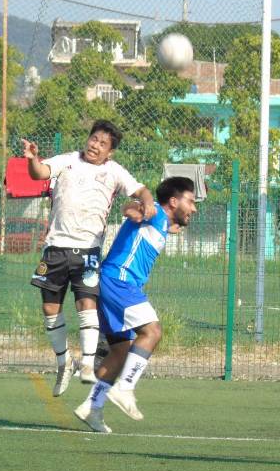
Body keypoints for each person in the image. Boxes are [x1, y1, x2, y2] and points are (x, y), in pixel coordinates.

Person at [22, 120, 155, 397]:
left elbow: (140, 190)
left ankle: (86, 362)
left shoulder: (113, 171)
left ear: (110, 152)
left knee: (86, 303)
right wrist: (33, 159)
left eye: (103, 143)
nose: (95, 145)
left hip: (88, 251)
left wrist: (148, 201)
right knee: (50, 310)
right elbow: (39, 173)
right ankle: (63, 362)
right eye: (94, 139)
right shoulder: (68, 160)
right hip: (56, 248)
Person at [73, 176, 197, 433]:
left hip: (111, 283)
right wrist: (136, 209)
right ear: (173, 201)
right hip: (119, 281)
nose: (194, 208)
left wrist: (166, 225)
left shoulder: (163, 223)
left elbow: (154, 226)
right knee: (152, 331)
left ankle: (91, 407)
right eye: (191, 201)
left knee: (120, 351)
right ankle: (125, 388)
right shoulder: (156, 215)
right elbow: (128, 209)